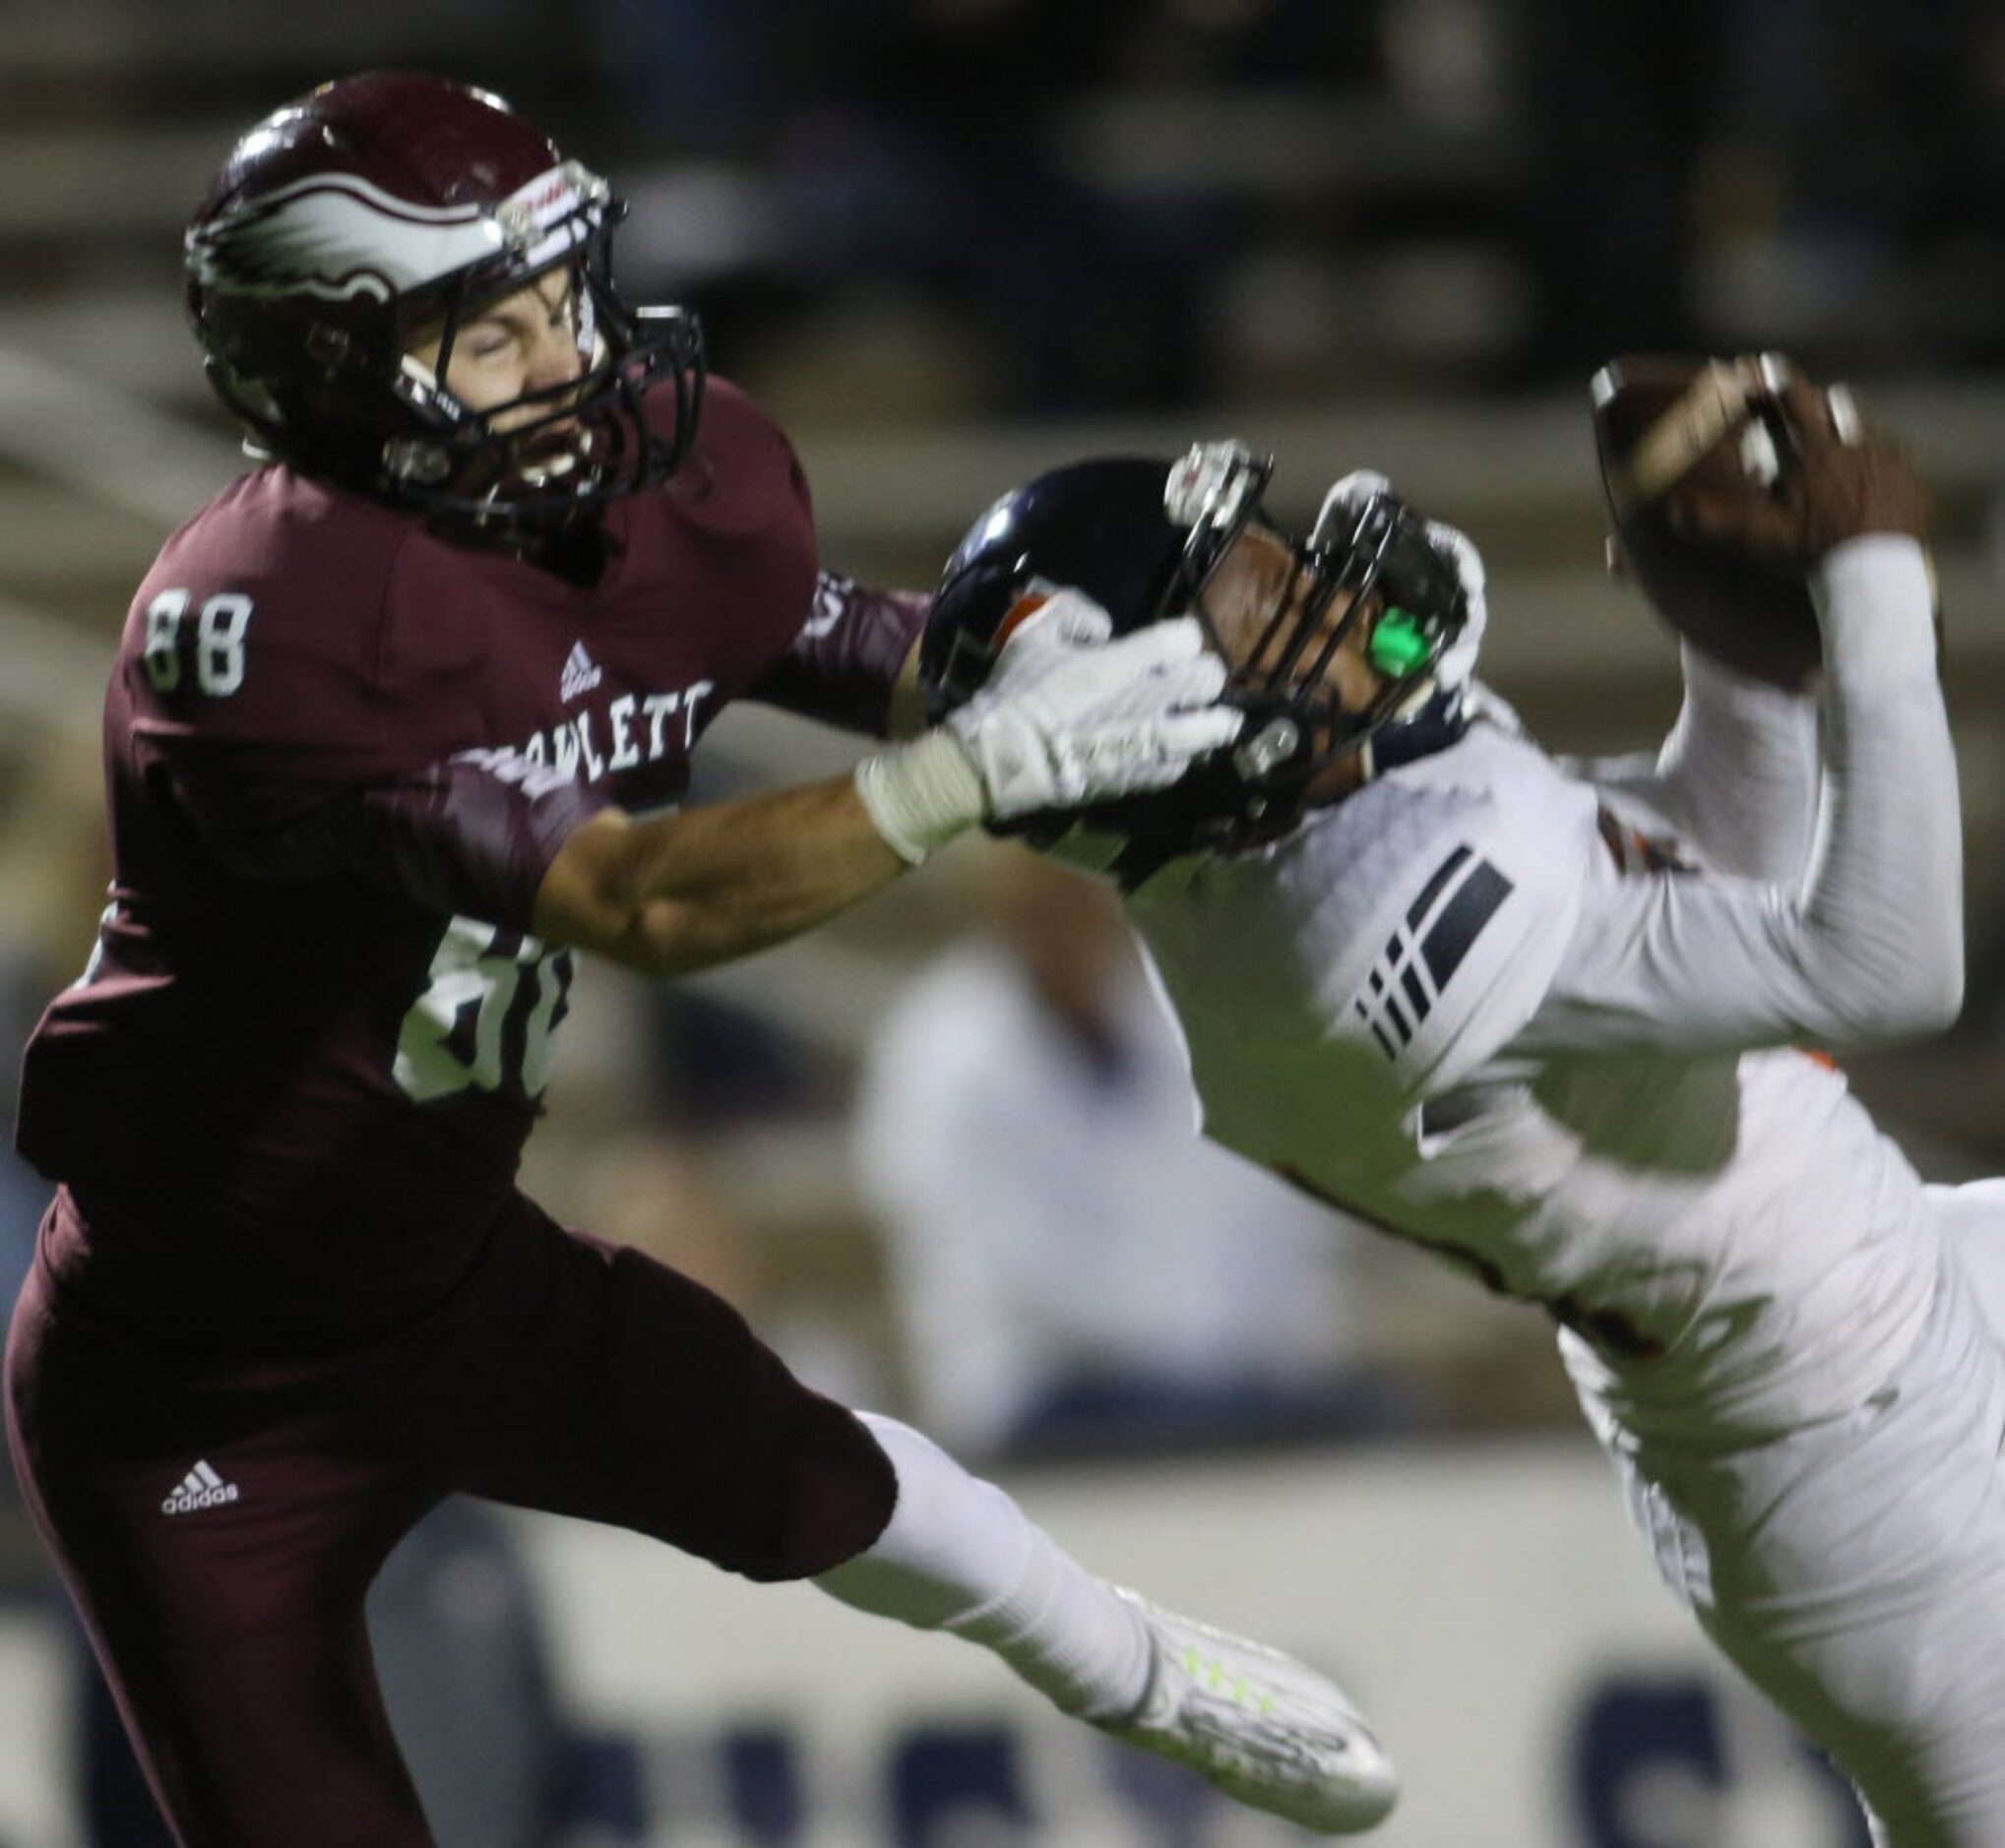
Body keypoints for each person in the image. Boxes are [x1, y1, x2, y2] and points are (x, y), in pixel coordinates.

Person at [1, 74, 1398, 1845]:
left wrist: (1143, 683)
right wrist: (980, 769)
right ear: (332, 370)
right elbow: (644, 902)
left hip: (449, 1272)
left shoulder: (672, 483)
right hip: (188, 1368)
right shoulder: (263, 623)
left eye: (560, 298)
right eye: (491, 333)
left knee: (830, 1477)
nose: (568, 360)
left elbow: (873, 646)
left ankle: (1146, 1672)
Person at [918, 387, 2002, 1845]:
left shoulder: (1249, 825)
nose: (1307, 578)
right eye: (1251, 587)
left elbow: (1695, 884)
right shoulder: (1364, 928)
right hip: (1866, 1468)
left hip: (1902, 1282)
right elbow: (1889, 961)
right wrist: (1864, 575)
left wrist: (1738, 644)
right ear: (1162, 712)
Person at [857, 848, 1395, 1459]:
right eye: (1042, 903)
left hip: (1214, 1378)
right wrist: (1199, 1346)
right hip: (1046, 1391)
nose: (1066, 920)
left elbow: (1266, 1209)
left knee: (1376, 1418)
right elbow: (1017, 1270)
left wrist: (1262, 1348)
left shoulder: (1177, 1016)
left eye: (1078, 897)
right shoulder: (941, 1053)